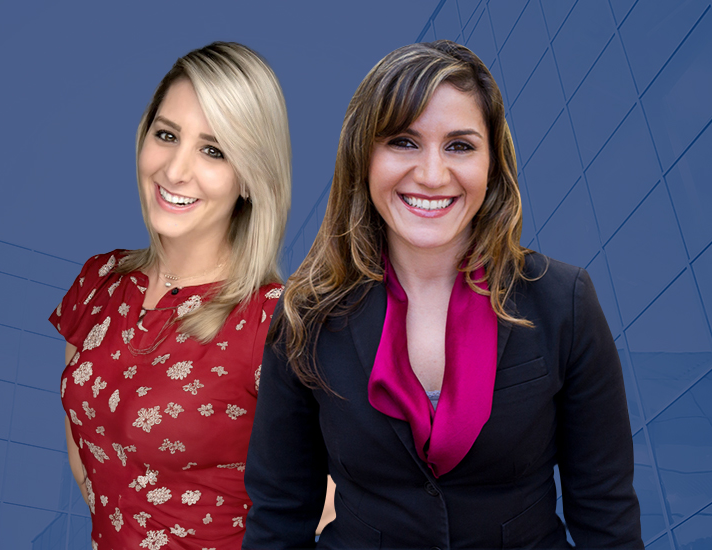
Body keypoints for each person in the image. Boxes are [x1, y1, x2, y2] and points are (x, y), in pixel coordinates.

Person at [243, 40, 642, 549]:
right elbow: (279, 515)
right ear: (364, 157)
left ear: (492, 164)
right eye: (404, 142)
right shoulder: (306, 312)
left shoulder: (563, 300)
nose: (432, 175)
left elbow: (606, 514)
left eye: (460, 145)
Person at [49, 41, 298, 549]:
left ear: (250, 177)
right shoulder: (99, 280)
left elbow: (333, 508)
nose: (175, 171)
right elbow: (87, 460)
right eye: (167, 135)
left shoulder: (278, 322)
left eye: (213, 150)